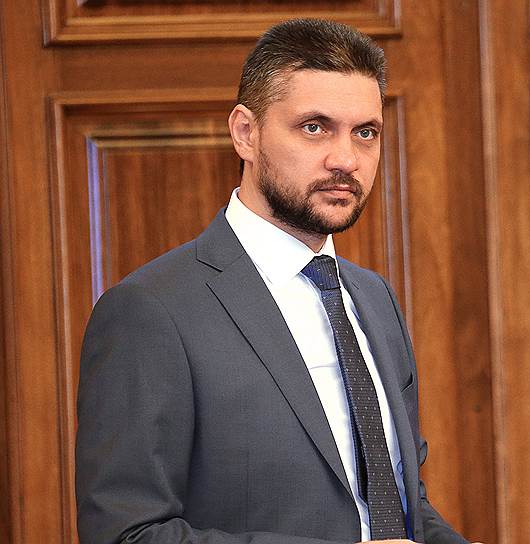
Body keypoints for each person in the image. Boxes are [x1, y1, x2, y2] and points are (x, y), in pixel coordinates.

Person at [75, 18, 473, 544]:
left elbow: (400, 505)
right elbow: (125, 534)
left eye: (365, 132)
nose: (345, 159)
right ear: (246, 132)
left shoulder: (374, 298)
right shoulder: (149, 311)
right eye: (314, 127)